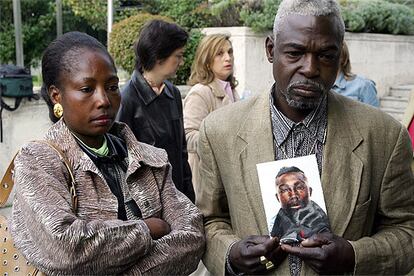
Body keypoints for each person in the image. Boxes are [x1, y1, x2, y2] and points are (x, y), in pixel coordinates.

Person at [195, 0, 414, 275]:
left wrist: (354, 256)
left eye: (326, 55)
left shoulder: (385, 136)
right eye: (295, 53)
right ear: (271, 50)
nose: (310, 68)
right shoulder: (219, 131)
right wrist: (231, 254)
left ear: (340, 57)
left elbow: (407, 229)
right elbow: (209, 220)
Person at [10, 31, 205, 275]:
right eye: (86, 89)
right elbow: (67, 249)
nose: (104, 100)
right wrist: (147, 229)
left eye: (112, 87)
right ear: (56, 95)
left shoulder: (149, 159)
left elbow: (192, 236)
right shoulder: (38, 162)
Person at [117, 20, 195, 202]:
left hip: (177, 195)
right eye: (178, 56)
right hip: (147, 201)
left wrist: (189, 197)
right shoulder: (127, 98)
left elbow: (182, 152)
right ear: (160, 57)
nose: (182, 62)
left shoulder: (173, 93)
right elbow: (121, 161)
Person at [184, 33, 239, 191]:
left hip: (228, 175)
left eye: (230, 52)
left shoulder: (231, 89)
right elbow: (188, 136)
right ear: (207, 61)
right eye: (219, 54)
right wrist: (220, 140)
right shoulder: (200, 93)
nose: (228, 58)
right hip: (207, 181)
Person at [270, 166, 330, 243]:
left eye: (299, 187)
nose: (294, 195)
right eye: (285, 190)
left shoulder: (319, 217)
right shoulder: (278, 219)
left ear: (310, 191)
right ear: (277, 198)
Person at [332, 42, 380, 107]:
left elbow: (375, 116)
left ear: (342, 58)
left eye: (330, 55)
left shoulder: (364, 85)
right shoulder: (318, 86)